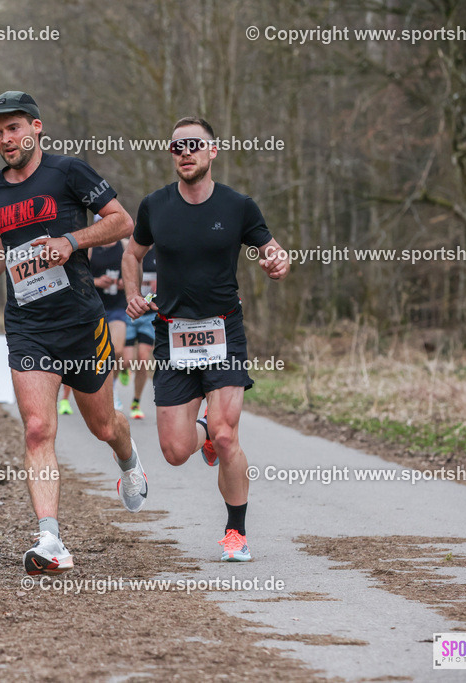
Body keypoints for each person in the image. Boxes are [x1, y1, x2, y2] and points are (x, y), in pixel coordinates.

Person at [0, 91, 148, 576]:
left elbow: (121, 221)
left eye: (14, 128)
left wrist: (70, 241)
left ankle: (128, 460)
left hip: (81, 322)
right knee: (38, 428)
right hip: (28, 325)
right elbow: (7, 235)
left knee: (103, 427)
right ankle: (50, 539)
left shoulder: (69, 172)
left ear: (36, 128)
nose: (6, 139)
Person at [122, 116, 290, 563]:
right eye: (177, 146)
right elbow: (132, 254)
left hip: (223, 331)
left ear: (213, 151)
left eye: (194, 144)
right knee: (176, 452)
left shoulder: (238, 206)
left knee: (227, 434)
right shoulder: (155, 206)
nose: (185, 153)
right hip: (172, 334)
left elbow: (271, 249)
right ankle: (205, 434)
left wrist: (277, 262)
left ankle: (235, 533)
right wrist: (133, 294)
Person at [88, 238, 128, 411]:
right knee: (95, 354)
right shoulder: (90, 246)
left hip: (117, 307)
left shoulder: (124, 245)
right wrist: (96, 281)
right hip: (94, 307)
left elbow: (136, 267)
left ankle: (113, 387)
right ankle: (97, 391)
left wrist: (127, 282)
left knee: (117, 351)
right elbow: (78, 276)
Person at [124, 245, 156, 419]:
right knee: (126, 360)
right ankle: (123, 370)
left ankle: (136, 402)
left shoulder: (161, 249)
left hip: (149, 316)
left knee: (143, 359)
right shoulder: (130, 249)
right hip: (130, 313)